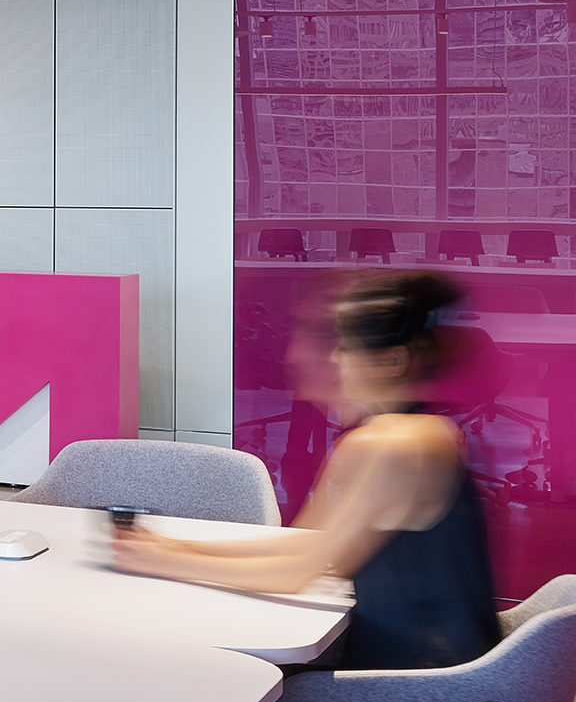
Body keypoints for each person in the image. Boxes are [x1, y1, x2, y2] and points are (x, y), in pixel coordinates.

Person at [114, 271, 497, 670]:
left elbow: (296, 572)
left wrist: (163, 563)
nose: (334, 359)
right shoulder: (416, 431)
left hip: (419, 685)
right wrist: (173, 547)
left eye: (346, 348)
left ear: (395, 360)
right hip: (433, 666)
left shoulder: (395, 444)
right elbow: (309, 544)